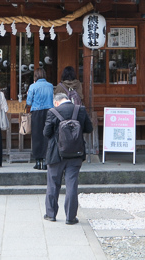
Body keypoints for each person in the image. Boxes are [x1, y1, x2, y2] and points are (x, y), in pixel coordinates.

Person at [43, 92, 93, 224]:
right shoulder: (80, 109)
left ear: (56, 102)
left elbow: (46, 133)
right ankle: (70, 217)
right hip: (75, 153)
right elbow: (89, 128)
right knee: (71, 184)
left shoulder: (52, 112)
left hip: (55, 154)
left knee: (53, 183)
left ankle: (51, 214)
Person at [26, 67, 54, 170]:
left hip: (37, 112)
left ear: (36, 76)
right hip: (49, 112)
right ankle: (47, 161)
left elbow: (28, 102)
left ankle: (38, 162)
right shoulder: (50, 86)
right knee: (48, 135)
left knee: (37, 136)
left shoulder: (33, 86)